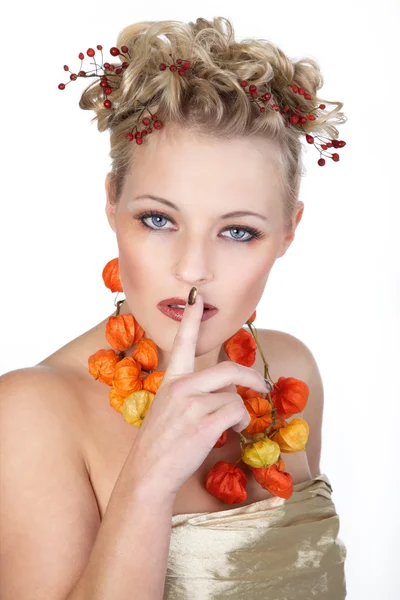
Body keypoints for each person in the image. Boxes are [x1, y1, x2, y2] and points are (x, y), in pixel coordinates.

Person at [0, 16, 347, 600]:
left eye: (238, 231)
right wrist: (150, 477)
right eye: (158, 219)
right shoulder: (31, 415)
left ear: (289, 231)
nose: (192, 269)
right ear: (112, 204)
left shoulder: (288, 371)